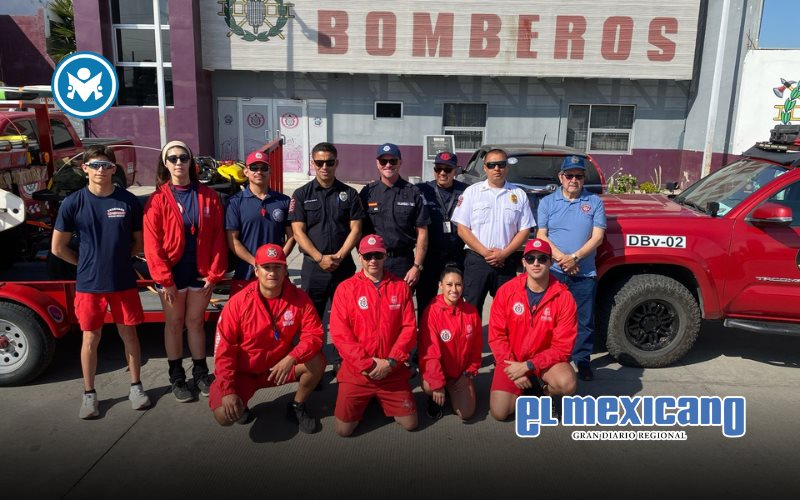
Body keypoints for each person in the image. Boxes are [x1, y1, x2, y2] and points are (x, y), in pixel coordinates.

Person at [51, 145, 151, 419]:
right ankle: (89, 395)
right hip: (89, 285)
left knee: (129, 335)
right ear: (84, 169)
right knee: (90, 338)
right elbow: (58, 248)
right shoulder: (73, 203)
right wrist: (85, 264)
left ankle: (136, 387)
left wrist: (119, 259)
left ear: (113, 169)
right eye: (94, 165)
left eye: (106, 165)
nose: (100, 170)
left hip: (122, 281)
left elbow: (139, 242)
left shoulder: (127, 201)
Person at [143, 141, 227, 402]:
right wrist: (164, 280)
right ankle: (177, 376)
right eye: (173, 158)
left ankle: (201, 373)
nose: (178, 162)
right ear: (165, 164)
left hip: (200, 271)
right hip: (171, 274)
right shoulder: (157, 200)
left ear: (191, 162)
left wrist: (214, 273)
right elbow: (152, 244)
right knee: (174, 323)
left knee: (196, 323)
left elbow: (218, 237)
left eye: (183, 157)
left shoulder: (209, 196)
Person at [210, 244, 325, 433]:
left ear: (285, 270)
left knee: (316, 360)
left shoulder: (299, 299)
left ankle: (297, 405)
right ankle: (241, 403)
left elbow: (314, 334)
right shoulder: (238, 303)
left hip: (278, 368)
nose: (272, 273)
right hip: (244, 372)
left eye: (277, 267)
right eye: (266, 267)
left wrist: (292, 358)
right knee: (224, 415)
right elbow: (224, 350)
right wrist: (228, 390)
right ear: (256, 270)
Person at [329, 234, 418, 436]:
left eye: (377, 255)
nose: (373, 261)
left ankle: (377, 398)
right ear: (360, 257)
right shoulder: (345, 289)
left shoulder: (400, 287)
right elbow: (340, 333)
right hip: (358, 372)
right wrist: (367, 364)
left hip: (391, 369)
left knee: (410, 423)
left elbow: (409, 329)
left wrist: (391, 362)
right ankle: (368, 399)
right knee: (344, 430)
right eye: (368, 256)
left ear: (385, 256)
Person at [289, 142, 365, 373]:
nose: (324, 167)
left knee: (347, 318)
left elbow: (356, 229)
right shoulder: (301, 195)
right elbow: (298, 231)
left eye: (329, 162)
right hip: (314, 268)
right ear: (313, 163)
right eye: (320, 162)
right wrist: (319, 257)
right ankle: (313, 366)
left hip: (343, 267)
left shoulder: (349, 194)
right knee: (311, 320)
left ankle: (345, 362)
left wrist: (340, 256)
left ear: (336, 163)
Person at [488, 238, 578, 421]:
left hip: (544, 364)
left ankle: (545, 391)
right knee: (500, 412)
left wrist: (529, 366)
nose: (536, 263)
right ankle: (528, 388)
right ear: (523, 262)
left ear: (551, 262)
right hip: (512, 361)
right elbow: (497, 336)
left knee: (566, 383)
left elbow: (563, 347)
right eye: (530, 259)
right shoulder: (506, 291)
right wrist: (512, 369)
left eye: (542, 259)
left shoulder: (564, 297)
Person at [536, 155, 606, 382]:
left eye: (579, 176)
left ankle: (582, 360)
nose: (574, 180)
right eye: (569, 175)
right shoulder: (547, 202)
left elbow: (598, 237)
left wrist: (575, 258)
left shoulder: (594, 202)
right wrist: (561, 259)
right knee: (549, 318)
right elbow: (541, 235)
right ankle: (549, 358)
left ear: (583, 178)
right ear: (561, 177)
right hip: (554, 271)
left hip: (584, 272)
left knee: (584, 320)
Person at [451, 148, 535, 315]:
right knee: (471, 311)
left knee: (507, 312)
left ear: (507, 167)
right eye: (491, 165)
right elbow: (462, 228)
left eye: (501, 164)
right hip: (477, 261)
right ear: (485, 168)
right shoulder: (472, 192)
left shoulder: (518, 194)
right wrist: (486, 253)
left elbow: (525, 230)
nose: (497, 168)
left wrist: (503, 254)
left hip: (506, 261)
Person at [359, 143, 429, 288]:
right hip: (374, 260)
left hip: (403, 262)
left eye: (393, 161)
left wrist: (417, 266)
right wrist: (364, 258)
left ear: (400, 162)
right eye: (383, 161)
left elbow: (422, 232)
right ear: (377, 163)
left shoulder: (413, 193)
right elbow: (358, 228)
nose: (388, 165)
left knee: (401, 301)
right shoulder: (367, 193)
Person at [419, 265, 482, 421]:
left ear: (463, 286)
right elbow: (430, 353)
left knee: (466, 413)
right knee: (429, 385)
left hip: (460, 374)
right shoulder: (431, 312)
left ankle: (451, 390)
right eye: (449, 284)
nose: (454, 289)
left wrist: (468, 373)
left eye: (458, 284)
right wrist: (437, 383)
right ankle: (435, 396)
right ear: (440, 285)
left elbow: (476, 349)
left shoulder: (471, 312)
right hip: (440, 372)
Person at [226, 150, 295, 283]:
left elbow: (292, 236)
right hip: (246, 272)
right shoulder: (235, 202)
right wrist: (256, 263)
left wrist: (276, 261)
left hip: (276, 273)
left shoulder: (284, 201)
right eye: (254, 168)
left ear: (270, 171)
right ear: (246, 171)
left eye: (263, 168)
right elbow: (232, 240)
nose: (259, 172)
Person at [415, 151, 468, 316]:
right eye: (438, 169)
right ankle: (425, 330)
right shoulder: (422, 190)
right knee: (425, 300)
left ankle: (455, 329)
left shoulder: (466, 191)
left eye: (448, 169)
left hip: (457, 254)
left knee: (456, 298)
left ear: (455, 171)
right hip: (431, 255)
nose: (442, 173)